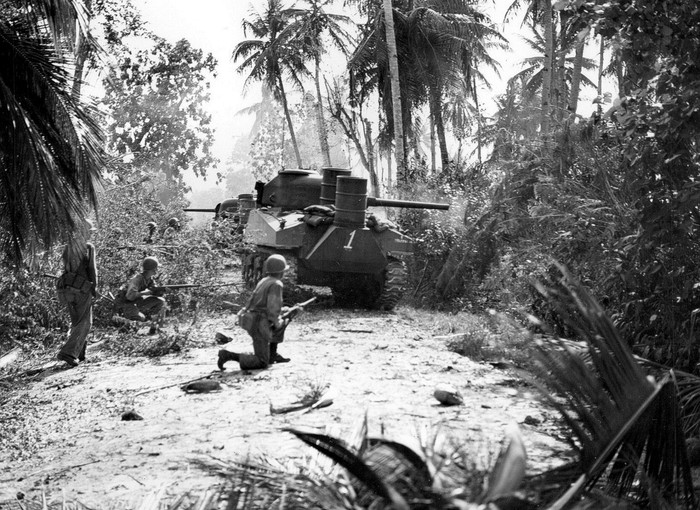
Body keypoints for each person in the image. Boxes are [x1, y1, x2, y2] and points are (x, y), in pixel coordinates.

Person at [217, 254, 293, 371]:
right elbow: (273, 309)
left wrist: (283, 312)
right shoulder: (276, 284)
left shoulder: (264, 280)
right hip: (259, 322)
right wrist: (278, 322)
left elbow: (258, 303)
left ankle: (272, 354)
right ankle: (228, 355)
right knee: (262, 362)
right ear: (281, 272)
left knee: (285, 317)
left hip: (252, 318)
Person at [56, 219, 98, 367]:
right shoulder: (88, 247)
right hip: (81, 289)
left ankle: (80, 353)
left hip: (67, 289)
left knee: (77, 321)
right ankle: (68, 353)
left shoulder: (68, 246)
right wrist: (95, 286)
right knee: (86, 322)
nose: (90, 235)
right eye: (89, 232)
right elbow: (92, 269)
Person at [113, 256, 166, 334]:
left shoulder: (149, 279)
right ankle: (124, 331)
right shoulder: (137, 279)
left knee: (161, 301)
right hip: (125, 304)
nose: (157, 270)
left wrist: (163, 290)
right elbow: (130, 296)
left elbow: (155, 291)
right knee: (140, 318)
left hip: (135, 302)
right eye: (156, 268)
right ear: (153, 269)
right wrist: (144, 293)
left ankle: (154, 327)